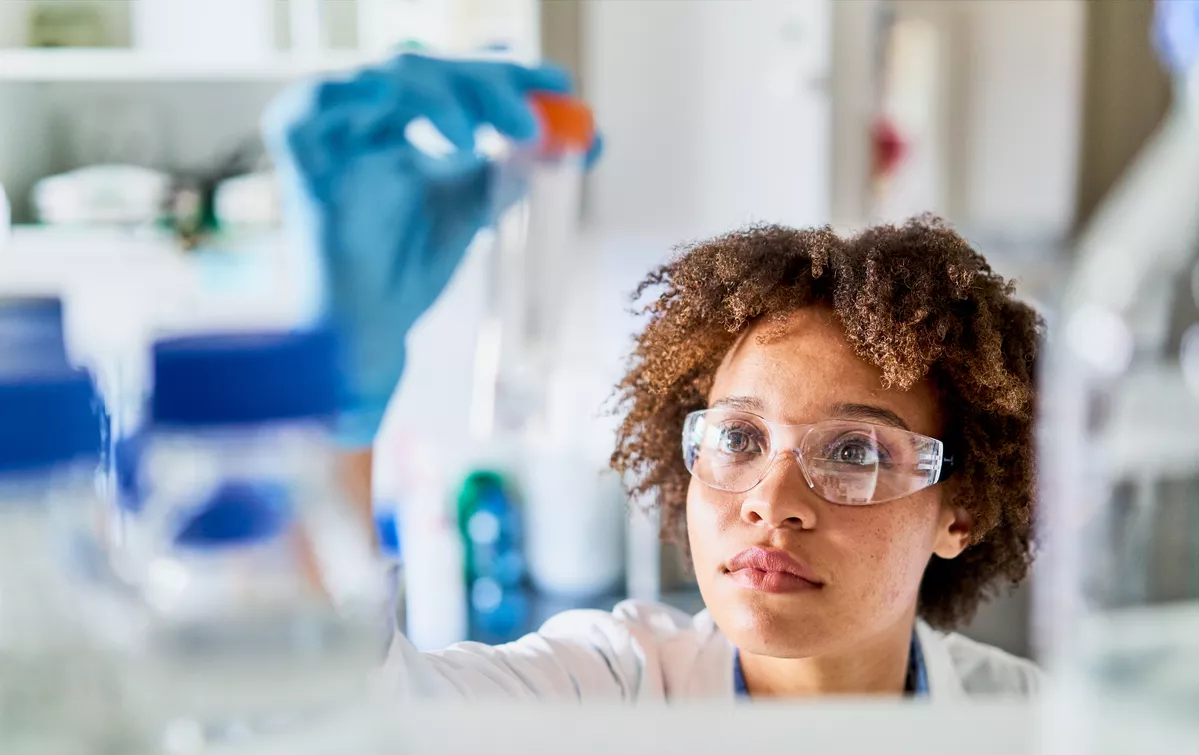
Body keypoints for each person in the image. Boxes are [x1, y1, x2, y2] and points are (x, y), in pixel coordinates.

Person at [264, 54, 1042, 701]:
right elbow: (358, 724)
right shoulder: (609, 690)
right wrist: (330, 403)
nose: (770, 504)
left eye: (855, 452)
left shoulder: (1034, 733)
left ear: (960, 513)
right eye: (738, 435)